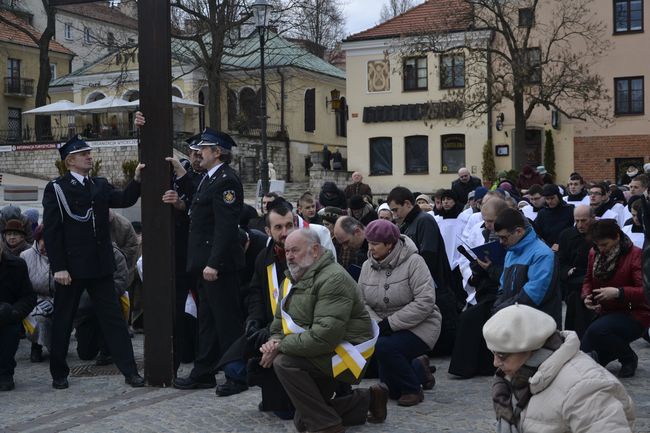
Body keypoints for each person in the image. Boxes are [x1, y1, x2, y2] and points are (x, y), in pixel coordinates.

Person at [42, 136, 145, 389]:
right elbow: (53, 232)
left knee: (114, 321)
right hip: (72, 268)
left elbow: (124, 199)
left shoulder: (98, 185)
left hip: (100, 266)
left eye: (89, 152)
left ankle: (130, 371)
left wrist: (138, 180)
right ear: (70, 161)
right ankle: (59, 373)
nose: (89, 156)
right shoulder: (57, 188)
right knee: (64, 321)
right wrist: (59, 267)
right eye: (83, 153)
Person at [263, 229, 388, 433]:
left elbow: (325, 336)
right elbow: (278, 324)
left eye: (295, 250)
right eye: (287, 251)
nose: (290, 256)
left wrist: (281, 345)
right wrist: (274, 340)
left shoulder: (333, 278)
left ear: (315, 250)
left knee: (284, 362)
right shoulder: (295, 278)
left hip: (347, 351)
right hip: (322, 347)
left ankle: (328, 426)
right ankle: (368, 400)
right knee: (303, 422)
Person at [483, 304, 635, 433]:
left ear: (532, 348)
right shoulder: (519, 375)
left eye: (502, 355)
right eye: (493, 353)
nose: (495, 363)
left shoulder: (586, 387)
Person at [174, 128, 245, 391]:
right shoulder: (208, 178)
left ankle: (237, 375)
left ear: (217, 153)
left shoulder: (227, 180)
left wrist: (214, 263)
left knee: (227, 322)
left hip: (219, 266)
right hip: (205, 265)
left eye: (203, 149)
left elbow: (226, 228)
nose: (197, 153)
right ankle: (204, 371)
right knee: (207, 321)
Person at [358, 220, 440, 406]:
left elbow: (425, 301)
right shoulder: (366, 266)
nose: (370, 248)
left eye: (375, 244)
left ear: (390, 244)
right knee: (392, 390)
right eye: (368, 243)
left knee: (385, 347)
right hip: (383, 327)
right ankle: (419, 368)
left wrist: (391, 323)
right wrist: (378, 323)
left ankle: (413, 389)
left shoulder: (414, 262)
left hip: (420, 324)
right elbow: (361, 302)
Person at [386, 186, 461, 356]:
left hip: (433, 285)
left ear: (407, 204)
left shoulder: (424, 220)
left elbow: (429, 255)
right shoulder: (409, 223)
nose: (395, 214)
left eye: (396, 210)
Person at [580, 219, 649, 378]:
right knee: (585, 356)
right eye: (598, 245)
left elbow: (645, 291)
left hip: (636, 313)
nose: (601, 249)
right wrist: (587, 297)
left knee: (598, 330)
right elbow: (588, 280)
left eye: (604, 244)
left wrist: (619, 292)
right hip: (606, 311)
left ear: (617, 237)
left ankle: (628, 358)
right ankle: (610, 355)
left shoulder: (636, 255)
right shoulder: (594, 252)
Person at [449, 198, 508, 378]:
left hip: (503, 290)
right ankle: (477, 365)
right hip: (486, 286)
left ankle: (478, 366)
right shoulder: (482, 231)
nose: (487, 225)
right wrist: (477, 269)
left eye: (491, 221)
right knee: (470, 317)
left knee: (471, 317)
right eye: (485, 220)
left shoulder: (509, 235)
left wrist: (490, 267)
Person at [492, 208, 561, 326]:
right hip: (513, 319)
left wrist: (502, 309)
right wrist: (497, 305)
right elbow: (503, 285)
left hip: (538, 324)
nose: (500, 242)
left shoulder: (543, 254)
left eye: (504, 237)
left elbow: (533, 295)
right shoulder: (511, 251)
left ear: (519, 231)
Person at [74, 243, 130, 366]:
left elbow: (121, 281)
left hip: (107, 304)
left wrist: (101, 295)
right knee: (85, 354)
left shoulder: (115, 253)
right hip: (85, 309)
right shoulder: (77, 252)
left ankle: (109, 349)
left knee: (107, 316)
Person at [0, 240, 36, 391]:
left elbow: (28, 297)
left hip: (8, 316)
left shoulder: (17, 265)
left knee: (11, 329)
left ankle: (5, 373)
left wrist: (14, 312)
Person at [557, 205, 596, 337]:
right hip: (574, 286)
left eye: (584, 221)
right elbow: (560, 261)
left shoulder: (600, 233)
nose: (580, 224)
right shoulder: (566, 235)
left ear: (592, 218)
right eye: (577, 220)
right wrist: (567, 271)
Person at [20, 225, 56, 363]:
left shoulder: (63, 254)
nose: (45, 248)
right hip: (33, 300)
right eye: (43, 243)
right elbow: (22, 286)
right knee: (39, 317)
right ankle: (36, 346)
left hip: (59, 299)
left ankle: (57, 347)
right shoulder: (25, 256)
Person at [534, 184, 575, 250]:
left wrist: (562, 244)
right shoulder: (542, 213)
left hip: (567, 246)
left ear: (558, 196)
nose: (550, 201)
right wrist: (548, 245)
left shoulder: (570, 210)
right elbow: (537, 232)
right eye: (547, 199)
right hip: (548, 248)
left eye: (552, 198)